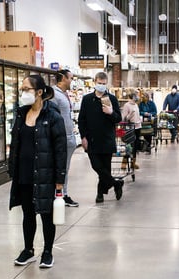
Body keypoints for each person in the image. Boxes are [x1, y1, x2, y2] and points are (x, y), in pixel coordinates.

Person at [9, 74, 67, 268]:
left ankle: (48, 251)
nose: (23, 93)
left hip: (45, 174)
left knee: (46, 214)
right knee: (27, 213)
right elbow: (16, 143)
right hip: (24, 173)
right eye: (22, 89)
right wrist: (12, 168)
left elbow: (60, 150)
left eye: (27, 89)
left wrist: (60, 179)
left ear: (39, 92)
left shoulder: (53, 116)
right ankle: (28, 250)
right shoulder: (21, 113)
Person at [78, 71, 123, 203]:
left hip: (107, 140)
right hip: (92, 140)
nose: (101, 86)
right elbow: (82, 120)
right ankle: (116, 184)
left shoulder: (112, 99)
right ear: (95, 82)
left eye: (104, 84)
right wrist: (83, 137)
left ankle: (100, 194)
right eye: (99, 83)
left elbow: (118, 119)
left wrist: (111, 113)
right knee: (97, 166)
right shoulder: (87, 99)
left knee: (105, 168)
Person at [51, 69, 79, 207]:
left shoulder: (64, 94)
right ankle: (61, 194)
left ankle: (62, 193)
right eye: (71, 78)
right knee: (60, 168)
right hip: (60, 138)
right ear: (63, 78)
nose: (72, 81)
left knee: (65, 168)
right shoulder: (54, 95)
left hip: (68, 136)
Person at [121, 90, 141, 169]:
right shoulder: (127, 105)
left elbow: (137, 115)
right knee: (129, 146)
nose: (136, 99)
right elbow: (124, 119)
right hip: (130, 128)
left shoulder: (136, 105)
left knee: (135, 146)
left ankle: (133, 162)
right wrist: (130, 114)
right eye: (134, 97)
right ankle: (124, 162)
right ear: (131, 98)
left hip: (138, 127)